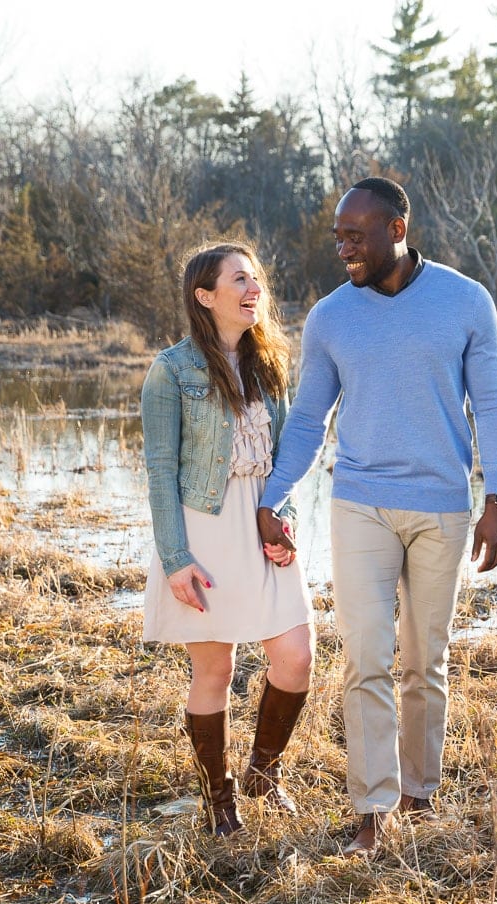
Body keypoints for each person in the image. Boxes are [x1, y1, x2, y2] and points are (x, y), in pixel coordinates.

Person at [257, 177, 497, 855]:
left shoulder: (465, 302)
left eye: (355, 234)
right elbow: (310, 420)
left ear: (397, 227)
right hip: (360, 503)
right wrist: (270, 497)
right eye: (337, 236)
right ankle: (371, 811)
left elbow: (492, 404)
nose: (343, 248)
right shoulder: (332, 316)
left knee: (426, 662)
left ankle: (419, 793)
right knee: (366, 656)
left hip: (443, 508)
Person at [141, 241, 315, 837]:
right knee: (214, 671)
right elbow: (160, 469)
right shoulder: (172, 370)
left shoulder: (269, 365)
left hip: (262, 521)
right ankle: (220, 800)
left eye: (256, 279)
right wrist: (175, 559)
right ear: (204, 296)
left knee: (296, 656)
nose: (253, 289)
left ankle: (265, 773)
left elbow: (288, 454)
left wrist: (282, 514)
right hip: (203, 528)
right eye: (238, 279)